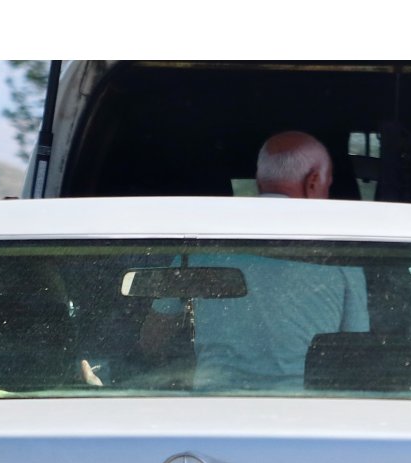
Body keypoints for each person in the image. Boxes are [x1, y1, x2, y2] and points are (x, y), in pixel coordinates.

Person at [137, 131, 367, 391]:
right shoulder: (341, 257)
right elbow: (353, 352)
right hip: (304, 412)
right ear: (313, 182)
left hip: (214, 408)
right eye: (328, 185)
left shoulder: (201, 246)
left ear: (259, 180)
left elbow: (153, 341)